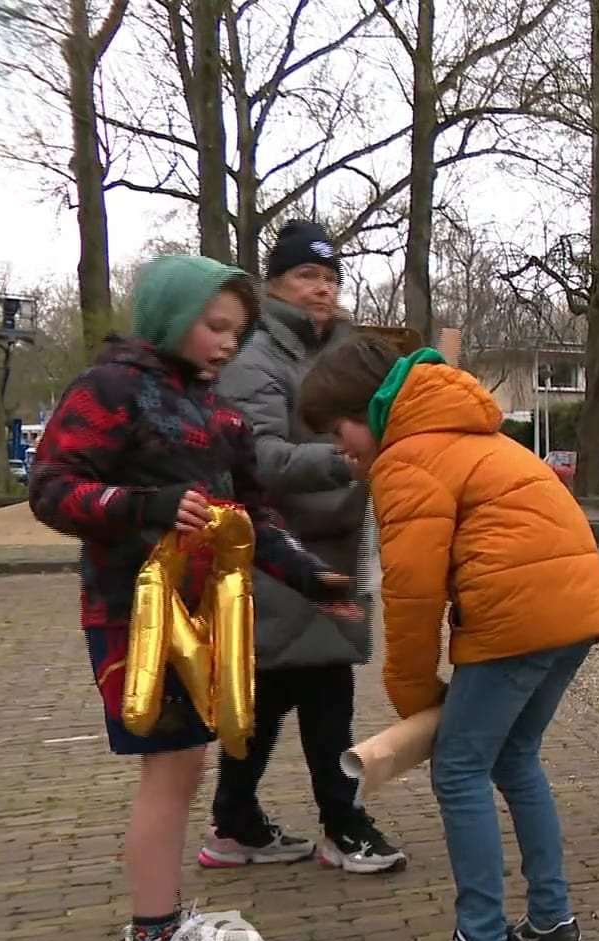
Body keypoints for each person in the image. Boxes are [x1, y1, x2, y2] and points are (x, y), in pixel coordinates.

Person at [28, 254, 359, 941]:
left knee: (184, 767)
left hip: (210, 614)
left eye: (236, 333)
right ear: (172, 316)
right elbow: (52, 487)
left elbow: (253, 516)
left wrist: (312, 577)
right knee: (171, 771)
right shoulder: (109, 389)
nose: (225, 345)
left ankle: (159, 927)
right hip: (136, 615)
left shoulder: (220, 412)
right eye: (214, 327)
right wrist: (143, 507)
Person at [298, 333, 599, 941]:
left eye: (339, 428)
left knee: (460, 767)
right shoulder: (467, 433)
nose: (338, 446)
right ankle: (553, 924)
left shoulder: (409, 456)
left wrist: (415, 696)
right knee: (516, 756)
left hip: (516, 616)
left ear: (368, 408)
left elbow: (413, 594)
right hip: (574, 607)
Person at [203, 219, 406, 874]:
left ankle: (234, 822)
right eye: (306, 276)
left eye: (330, 276)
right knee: (322, 694)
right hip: (283, 557)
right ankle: (344, 826)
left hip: (336, 550)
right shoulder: (254, 360)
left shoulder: (350, 350)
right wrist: (348, 462)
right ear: (275, 285)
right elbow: (257, 458)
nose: (322, 289)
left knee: (271, 698)